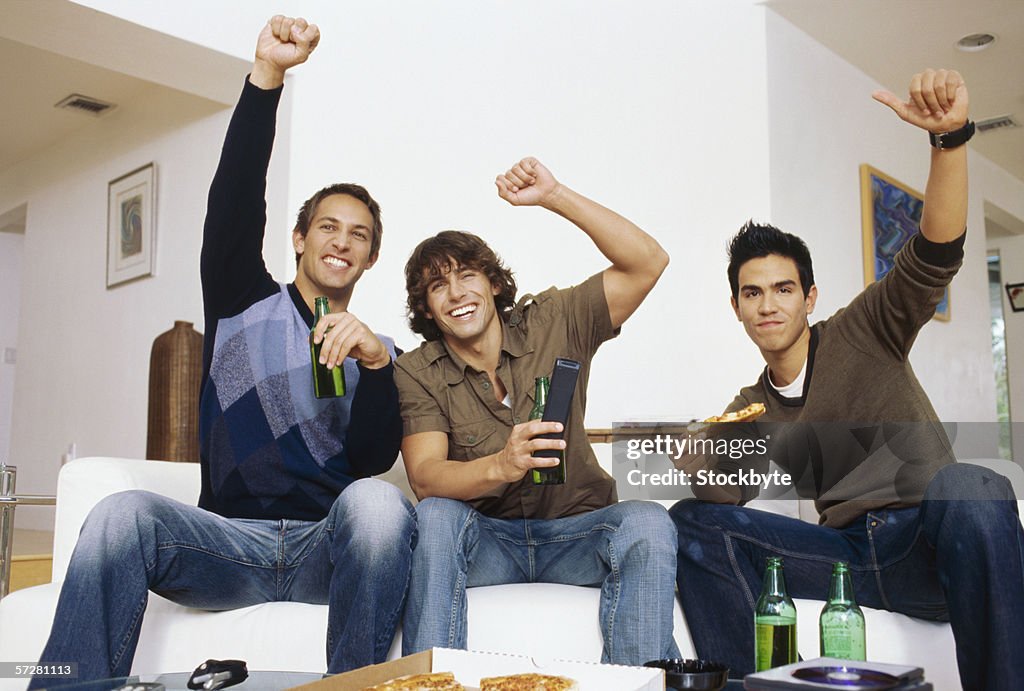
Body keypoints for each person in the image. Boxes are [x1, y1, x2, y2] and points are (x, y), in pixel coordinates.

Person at [32, 16, 414, 685]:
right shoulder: (242, 302)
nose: (341, 241)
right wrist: (267, 77)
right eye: (328, 226)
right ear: (299, 238)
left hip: (324, 548)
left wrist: (379, 369)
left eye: (358, 235)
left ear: (371, 256)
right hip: (226, 543)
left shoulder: (382, 352)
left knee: (381, 504)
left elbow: (373, 460)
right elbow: (235, 201)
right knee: (122, 515)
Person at [670, 69, 1024, 688]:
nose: (768, 305)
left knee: (973, 484)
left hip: (926, 545)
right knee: (690, 521)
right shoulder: (749, 407)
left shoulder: (864, 329)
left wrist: (950, 141)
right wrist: (695, 456)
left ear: (809, 297)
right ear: (737, 308)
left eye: (783, 290)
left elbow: (935, 252)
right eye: (752, 294)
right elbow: (728, 506)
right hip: (848, 559)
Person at [394, 157, 679, 665]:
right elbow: (426, 478)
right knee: (435, 517)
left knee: (649, 521)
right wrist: (501, 465)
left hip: (578, 533)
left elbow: (648, 261)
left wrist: (554, 196)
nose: (457, 293)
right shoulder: (417, 369)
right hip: (489, 541)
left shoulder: (555, 320)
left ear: (494, 283)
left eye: (466, 275)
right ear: (427, 308)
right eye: (439, 286)